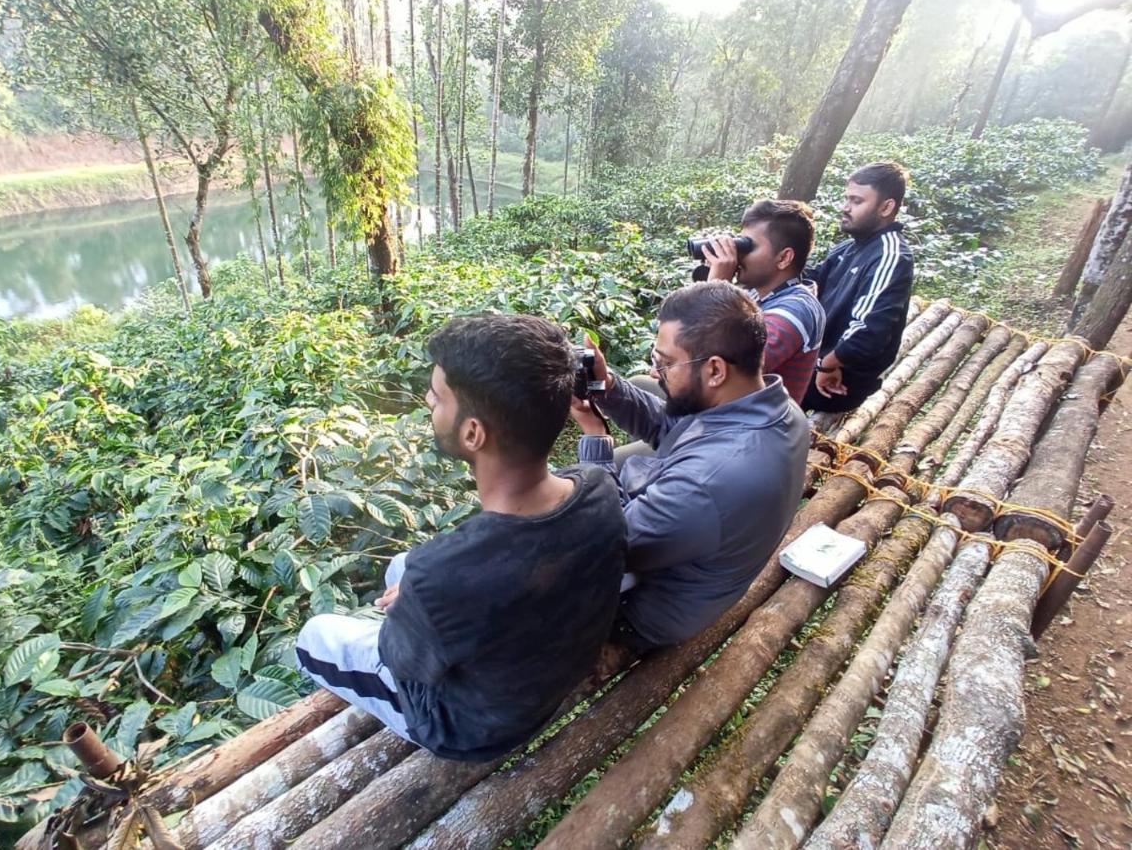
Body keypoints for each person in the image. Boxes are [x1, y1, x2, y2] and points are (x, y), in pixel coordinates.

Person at [295, 314, 627, 761]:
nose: (428, 403)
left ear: (473, 432)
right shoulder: (599, 490)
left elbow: (406, 665)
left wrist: (415, 610)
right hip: (546, 673)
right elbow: (596, 473)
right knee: (404, 568)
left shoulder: (441, 576)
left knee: (314, 635)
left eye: (437, 398)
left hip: (472, 728)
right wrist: (422, 601)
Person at [571, 281, 808, 654]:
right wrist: (608, 388)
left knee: (555, 531)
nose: (656, 370)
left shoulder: (710, 481)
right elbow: (675, 431)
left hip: (643, 611)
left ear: (715, 370)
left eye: (665, 363)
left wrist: (596, 437)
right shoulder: (772, 405)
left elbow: (604, 543)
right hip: (689, 540)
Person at [802, 161, 915, 413]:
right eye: (846, 199)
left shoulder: (890, 255)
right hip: (817, 360)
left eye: (856, 201)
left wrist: (827, 365)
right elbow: (811, 280)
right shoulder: (850, 246)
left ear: (886, 207)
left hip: (837, 378)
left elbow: (867, 332)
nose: (845, 207)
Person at [700, 199, 827, 404]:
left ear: (784, 258)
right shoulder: (757, 296)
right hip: (723, 408)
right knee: (638, 386)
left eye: (747, 246)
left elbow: (719, 370)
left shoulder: (797, 310)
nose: (738, 255)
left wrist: (716, 287)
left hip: (749, 427)